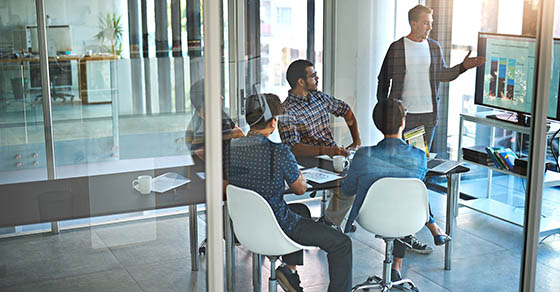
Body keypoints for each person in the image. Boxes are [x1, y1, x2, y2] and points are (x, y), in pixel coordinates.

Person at [377, 4, 484, 252]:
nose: (430, 26)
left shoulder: (433, 47)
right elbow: (383, 82)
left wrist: (463, 67)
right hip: (403, 120)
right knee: (406, 176)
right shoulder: (397, 48)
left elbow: (443, 75)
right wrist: (385, 114)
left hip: (427, 119)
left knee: (417, 175)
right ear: (413, 23)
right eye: (426, 22)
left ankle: (410, 230)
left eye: (431, 22)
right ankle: (416, 229)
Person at [229, 93, 353, 292]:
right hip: (277, 226)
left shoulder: (230, 148)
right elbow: (299, 189)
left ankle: (290, 273)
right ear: (272, 122)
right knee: (342, 244)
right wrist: (298, 174)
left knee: (301, 210)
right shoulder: (279, 152)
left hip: (242, 226)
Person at [341, 98, 451, 287]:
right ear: (403, 122)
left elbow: (347, 190)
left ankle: (396, 269)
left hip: (371, 218)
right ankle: (427, 234)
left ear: (377, 124)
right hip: (408, 218)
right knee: (402, 203)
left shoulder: (363, 155)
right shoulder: (419, 156)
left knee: (396, 203)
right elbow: (417, 195)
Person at [279, 59, 362, 229]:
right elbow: (293, 148)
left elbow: (346, 111)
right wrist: (328, 150)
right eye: (313, 76)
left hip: (331, 157)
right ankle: (331, 222)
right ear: (301, 82)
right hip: (306, 163)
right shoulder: (286, 110)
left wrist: (357, 141)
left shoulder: (319, 97)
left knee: (354, 184)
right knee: (347, 188)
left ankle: (329, 222)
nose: (317, 78)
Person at [184, 79, 244, 188]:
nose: (222, 97)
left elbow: (240, 135)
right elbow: (215, 164)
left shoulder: (220, 114)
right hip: (218, 183)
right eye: (217, 94)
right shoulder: (198, 130)